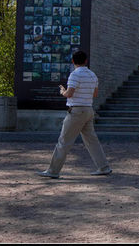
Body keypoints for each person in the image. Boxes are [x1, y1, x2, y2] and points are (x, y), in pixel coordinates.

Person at [38, 50, 111, 178]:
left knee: (64, 141)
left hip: (76, 111)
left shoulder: (74, 75)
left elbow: (69, 94)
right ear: (86, 61)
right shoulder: (93, 75)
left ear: (73, 61)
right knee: (92, 141)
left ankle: (53, 171)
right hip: (88, 110)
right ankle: (104, 167)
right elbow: (95, 94)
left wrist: (62, 91)